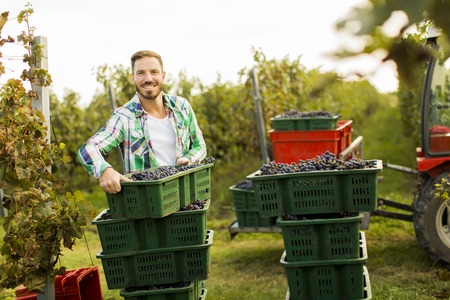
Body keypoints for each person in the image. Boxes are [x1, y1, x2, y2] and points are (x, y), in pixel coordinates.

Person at [77, 50, 207, 194]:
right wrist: (105, 170)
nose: (148, 78)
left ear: (163, 75)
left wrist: (189, 159)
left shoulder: (182, 107)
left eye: (154, 72)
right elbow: (88, 149)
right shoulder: (124, 117)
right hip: (147, 202)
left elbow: (199, 145)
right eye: (141, 73)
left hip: (184, 195)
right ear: (132, 77)